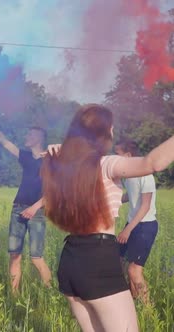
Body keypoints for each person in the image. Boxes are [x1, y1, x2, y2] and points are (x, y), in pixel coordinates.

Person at [41, 104, 174, 331]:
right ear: (103, 133)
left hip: (71, 259)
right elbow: (152, 163)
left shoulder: (65, 169)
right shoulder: (105, 163)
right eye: (111, 129)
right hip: (98, 260)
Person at [0, 115, 51, 292]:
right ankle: (14, 296)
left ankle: (49, 294)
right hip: (17, 209)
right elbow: (4, 142)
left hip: (37, 212)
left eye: (30, 135)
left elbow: (54, 191)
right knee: (15, 255)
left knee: (36, 258)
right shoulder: (25, 156)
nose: (26, 137)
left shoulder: (51, 160)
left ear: (40, 139)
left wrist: (35, 207)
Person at [114, 139, 158, 305]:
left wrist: (128, 230)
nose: (115, 158)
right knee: (119, 261)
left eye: (117, 154)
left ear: (128, 155)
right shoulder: (128, 175)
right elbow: (130, 196)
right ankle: (131, 301)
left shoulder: (145, 174)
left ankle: (147, 310)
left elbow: (145, 206)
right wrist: (112, 200)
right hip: (132, 224)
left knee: (134, 270)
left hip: (144, 226)